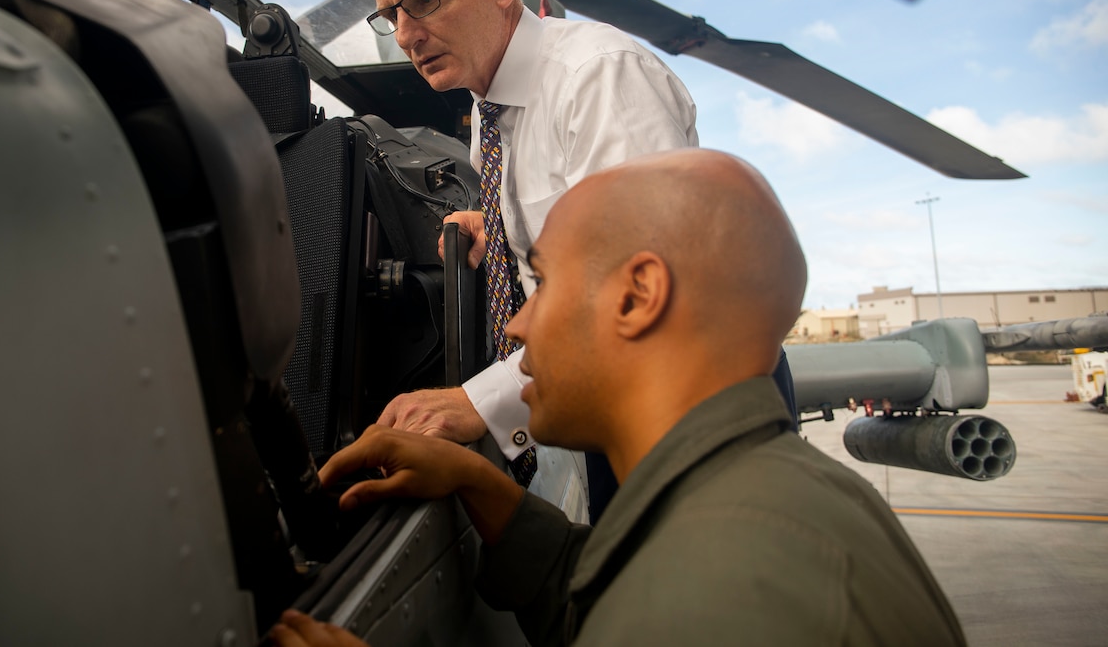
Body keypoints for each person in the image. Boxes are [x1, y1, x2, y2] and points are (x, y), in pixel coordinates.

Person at [267, 149, 966, 647]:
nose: (515, 322)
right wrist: (480, 481)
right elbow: (611, 596)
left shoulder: (725, 593)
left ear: (637, 296)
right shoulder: (759, 507)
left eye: (541, 284)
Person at [353, 0, 796, 509]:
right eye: (390, 13)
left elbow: (640, 298)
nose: (404, 34)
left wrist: (478, 402)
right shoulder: (490, 106)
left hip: (686, 409)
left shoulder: (601, 77)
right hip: (611, 402)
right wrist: (502, 228)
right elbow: (572, 212)